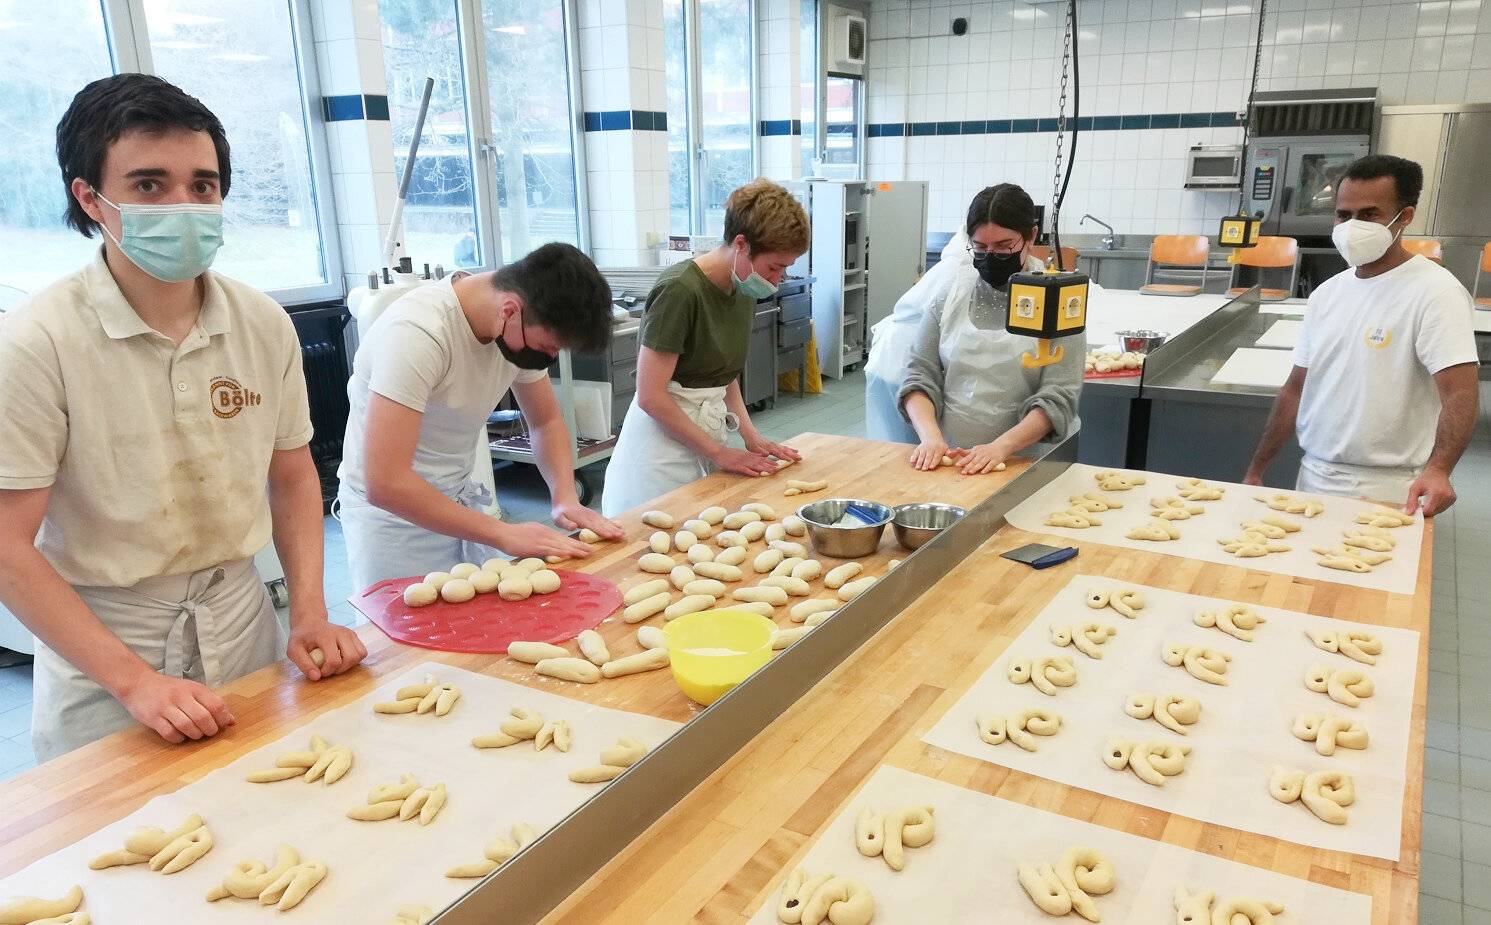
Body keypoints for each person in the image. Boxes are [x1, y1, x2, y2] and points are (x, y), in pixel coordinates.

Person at [0, 75, 365, 762]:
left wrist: (311, 610)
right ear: (89, 198)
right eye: (148, 185)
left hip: (240, 612)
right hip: (109, 645)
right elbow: (7, 544)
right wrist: (135, 682)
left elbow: (291, 477)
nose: (184, 204)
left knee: (260, 817)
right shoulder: (36, 342)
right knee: (126, 852)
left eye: (202, 185)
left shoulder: (260, 324)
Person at [338, 242, 624, 591]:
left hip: (457, 500)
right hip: (394, 524)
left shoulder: (510, 322)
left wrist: (564, 494)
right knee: (405, 636)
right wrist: (503, 533)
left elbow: (545, 421)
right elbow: (386, 483)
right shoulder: (419, 335)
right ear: (510, 310)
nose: (549, 357)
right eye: (548, 347)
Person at [1243, 154, 1478, 514]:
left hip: (1392, 484)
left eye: (1370, 215)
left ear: (1405, 217)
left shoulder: (1435, 292)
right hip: (1314, 474)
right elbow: (1296, 389)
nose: (1353, 226)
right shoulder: (1327, 294)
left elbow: (1460, 392)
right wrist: (1258, 468)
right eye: (1344, 215)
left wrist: (1439, 470)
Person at [601, 179, 810, 516]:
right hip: (659, 454)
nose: (776, 281)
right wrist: (718, 453)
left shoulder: (741, 289)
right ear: (741, 244)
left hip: (706, 436)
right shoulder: (680, 291)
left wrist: (750, 435)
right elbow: (651, 396)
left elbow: (723, 375)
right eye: (774, 267)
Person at [898, 184, 1085, 474]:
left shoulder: (1057, 299)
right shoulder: (952, 292)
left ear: (1031, 236)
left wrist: (1002, 447)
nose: (991, 255)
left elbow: (1059, 395)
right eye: (981, 247)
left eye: (1004, 246)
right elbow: (919, 375)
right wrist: (931, 438)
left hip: (1027, 460)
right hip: (954, 456)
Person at [864, 230, 974, 444]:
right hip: (901, 361)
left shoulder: (953, 267)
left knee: (904, 441)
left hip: (894, 358)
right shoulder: (963, 274)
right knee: (906, 444)